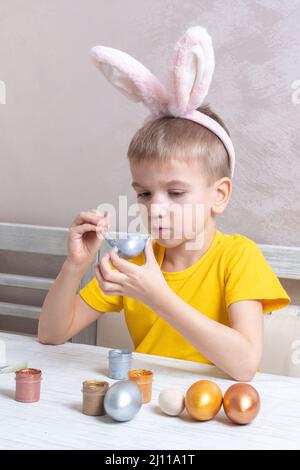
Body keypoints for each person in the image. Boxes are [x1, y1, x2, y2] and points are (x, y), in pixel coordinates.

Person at [38, 26, 290, 381]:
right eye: (144, 193)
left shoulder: (238, 258)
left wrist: (158, 297)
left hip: (213, 413)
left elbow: (245, 364)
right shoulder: (136, 262)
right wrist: (75, 265)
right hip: (147, 410)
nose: (156, 208)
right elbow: (51, 334)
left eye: (175, 193)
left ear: (218, 195)